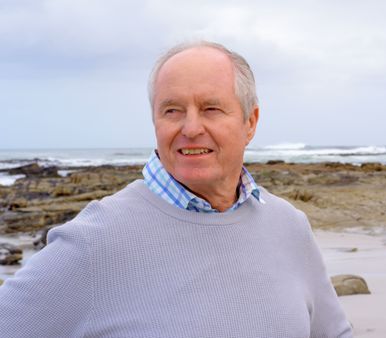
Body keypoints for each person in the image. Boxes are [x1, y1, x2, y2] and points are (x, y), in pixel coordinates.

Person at [0, 41, 353, 337]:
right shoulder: (97, 240)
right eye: (172, 110)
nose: (191, 127)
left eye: (211, 108)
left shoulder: (289, 225)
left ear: (250, 122)